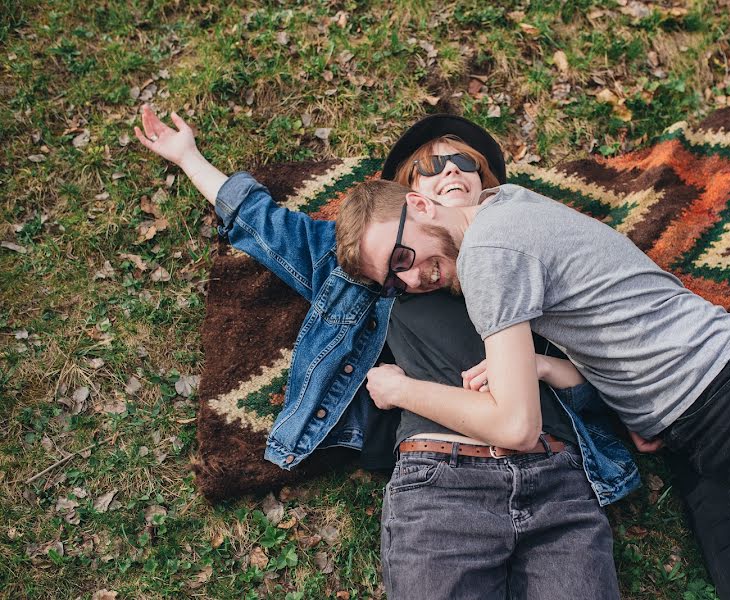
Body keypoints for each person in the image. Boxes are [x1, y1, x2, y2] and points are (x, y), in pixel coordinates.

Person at [135, 107, 637, 598]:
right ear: (411, 201)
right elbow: (264, 224)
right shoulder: (376, 273)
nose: (452, 172)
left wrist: (549, 367)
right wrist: (188, 158)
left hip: (562, 481)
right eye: (431, 166)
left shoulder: (533, 259)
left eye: (466, 163)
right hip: (443, 485)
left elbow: (602, 380)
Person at [335, 177, 730, 598]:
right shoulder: (507, 204)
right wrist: (555, 372)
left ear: (420, 202)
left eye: (403, 256)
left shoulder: (488, 252)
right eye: (393, 280)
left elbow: (515, 427)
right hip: (696, 434)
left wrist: (402, 390)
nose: (412, 279)